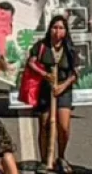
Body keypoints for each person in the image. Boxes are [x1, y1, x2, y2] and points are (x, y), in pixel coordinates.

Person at [26, 15, 80, 173]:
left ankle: (61, 156)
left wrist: (62, 86)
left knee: (63, 126)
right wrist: (44, 74)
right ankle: (44, 160)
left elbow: (75, 73)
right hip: (45, 90)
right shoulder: (41, 46)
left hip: (63, 90)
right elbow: (30, 62)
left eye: (61, 28)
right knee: (44, 125)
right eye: (55, 28)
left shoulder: (69, 48)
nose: (57, 31)